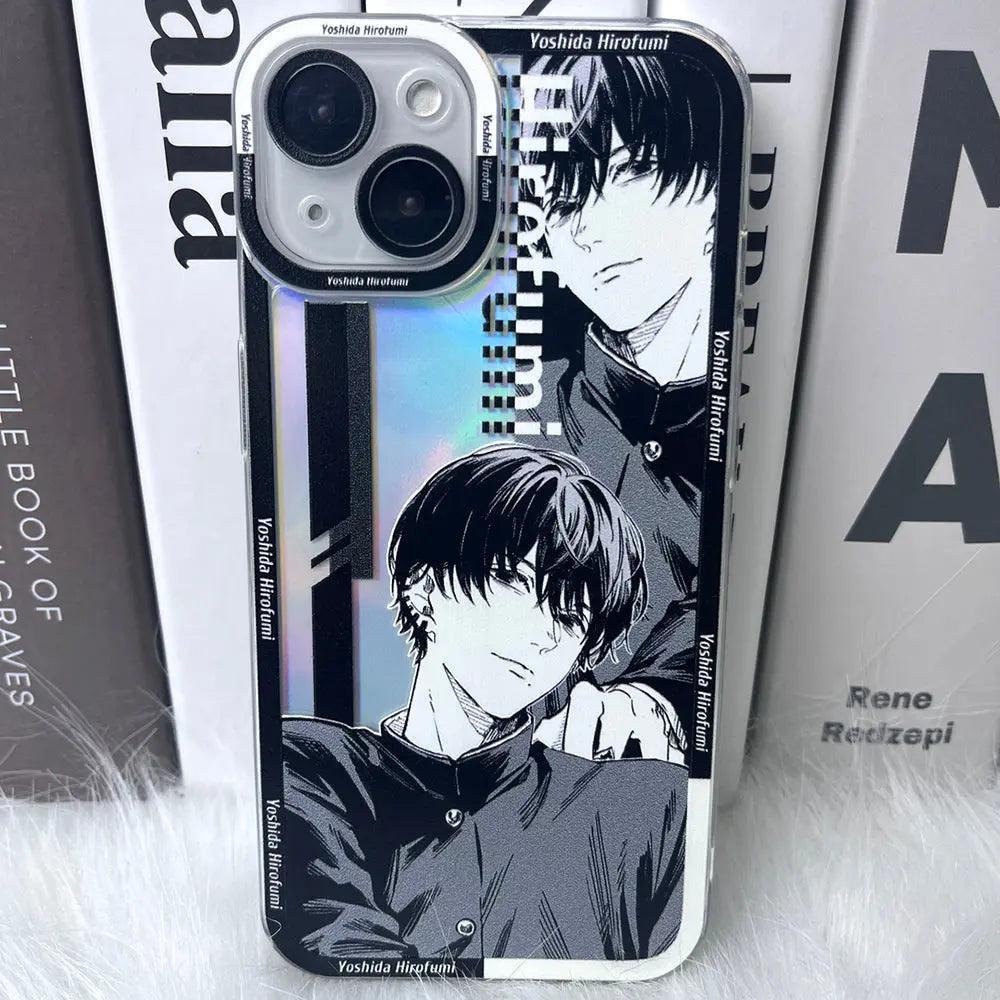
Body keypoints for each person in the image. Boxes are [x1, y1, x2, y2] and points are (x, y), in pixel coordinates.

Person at [281, 445, 687, 964]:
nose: (542, 634)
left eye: (570, 616)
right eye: (513, 582)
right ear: (422, 588)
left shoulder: (648, 805)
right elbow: (336, 940)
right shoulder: (314, 765)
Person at [520, 52, 724, 760]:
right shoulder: (524, 411)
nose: (587, 227)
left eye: (631, 171)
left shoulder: (743, 428)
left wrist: (659, 697)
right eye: (561, 198)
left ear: (713, 187)